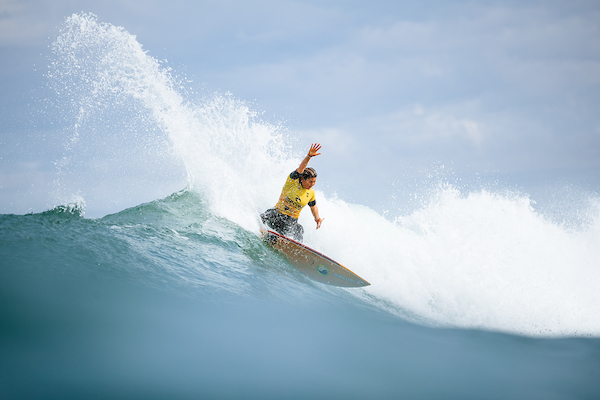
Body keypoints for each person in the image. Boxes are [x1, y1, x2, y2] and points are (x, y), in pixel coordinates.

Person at [261, 143, 324, 242]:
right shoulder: (292, 182)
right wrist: (308, 157)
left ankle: (298, 249)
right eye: (310, 181)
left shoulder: (311, 193)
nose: (312, 184)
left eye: (314, 182)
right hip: (277, 215)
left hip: (291, 222)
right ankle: (258, 229)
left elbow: (313, 207)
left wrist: (317, 219)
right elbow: (300, 170)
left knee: (299, 229)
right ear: (303, 179)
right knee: (266, 215)